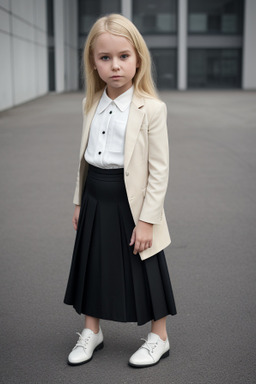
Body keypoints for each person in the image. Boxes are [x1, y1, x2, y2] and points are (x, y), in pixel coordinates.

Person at [64, 13, 177, 368]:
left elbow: (159, 170)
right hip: (96, 192)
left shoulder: (151, 109)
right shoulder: (89, 104)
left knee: (145, 264)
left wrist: (147, 221)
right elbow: (83, 158)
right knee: (92, 262)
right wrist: (80, 200)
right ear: (93, 63)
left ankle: (159, 337)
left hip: (133, 201)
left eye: (123, 56)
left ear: (138, 58)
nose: (115, 66)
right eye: (105, 58)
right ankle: (91, 331)